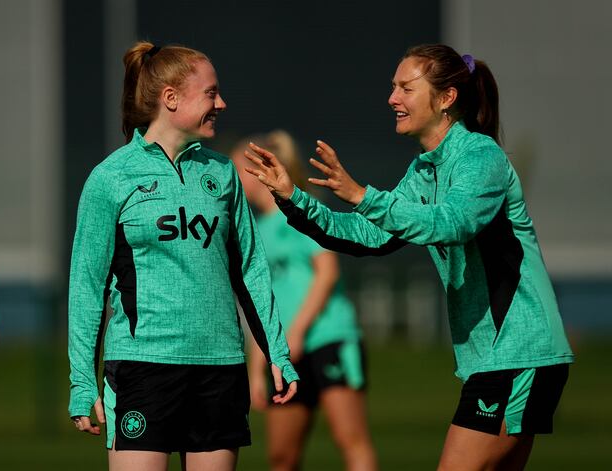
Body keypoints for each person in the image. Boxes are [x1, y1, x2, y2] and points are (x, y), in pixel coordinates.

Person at [243, 44, 573, 471]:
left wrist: (362, 195)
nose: (392, 98)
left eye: (405, 88)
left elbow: (452, 223)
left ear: (447, 98)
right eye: (392, 87)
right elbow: (366, 237)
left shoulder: (480, 156)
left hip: (519, 350)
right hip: (492, 359)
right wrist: (292, 197)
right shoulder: (422, 171)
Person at [68, 41, 298, 471]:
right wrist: (83, 380)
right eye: (211, 93)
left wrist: (277, 354)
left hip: (220, 370)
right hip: (143, 368)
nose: (222, 103)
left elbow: (250, 267)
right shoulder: (111, 178)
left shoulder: (222, 172)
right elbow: (87, 286)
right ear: (170, 98)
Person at [231, 131, 377, 471]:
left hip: (329, 338)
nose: (234, 179)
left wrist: (296, 332)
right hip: (284, 355)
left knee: (351, 440)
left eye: (239, 170)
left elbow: (327, 274)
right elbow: (257, 305)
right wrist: (255, 369)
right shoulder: (251, 229)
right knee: (282, 457)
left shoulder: (302, 209)